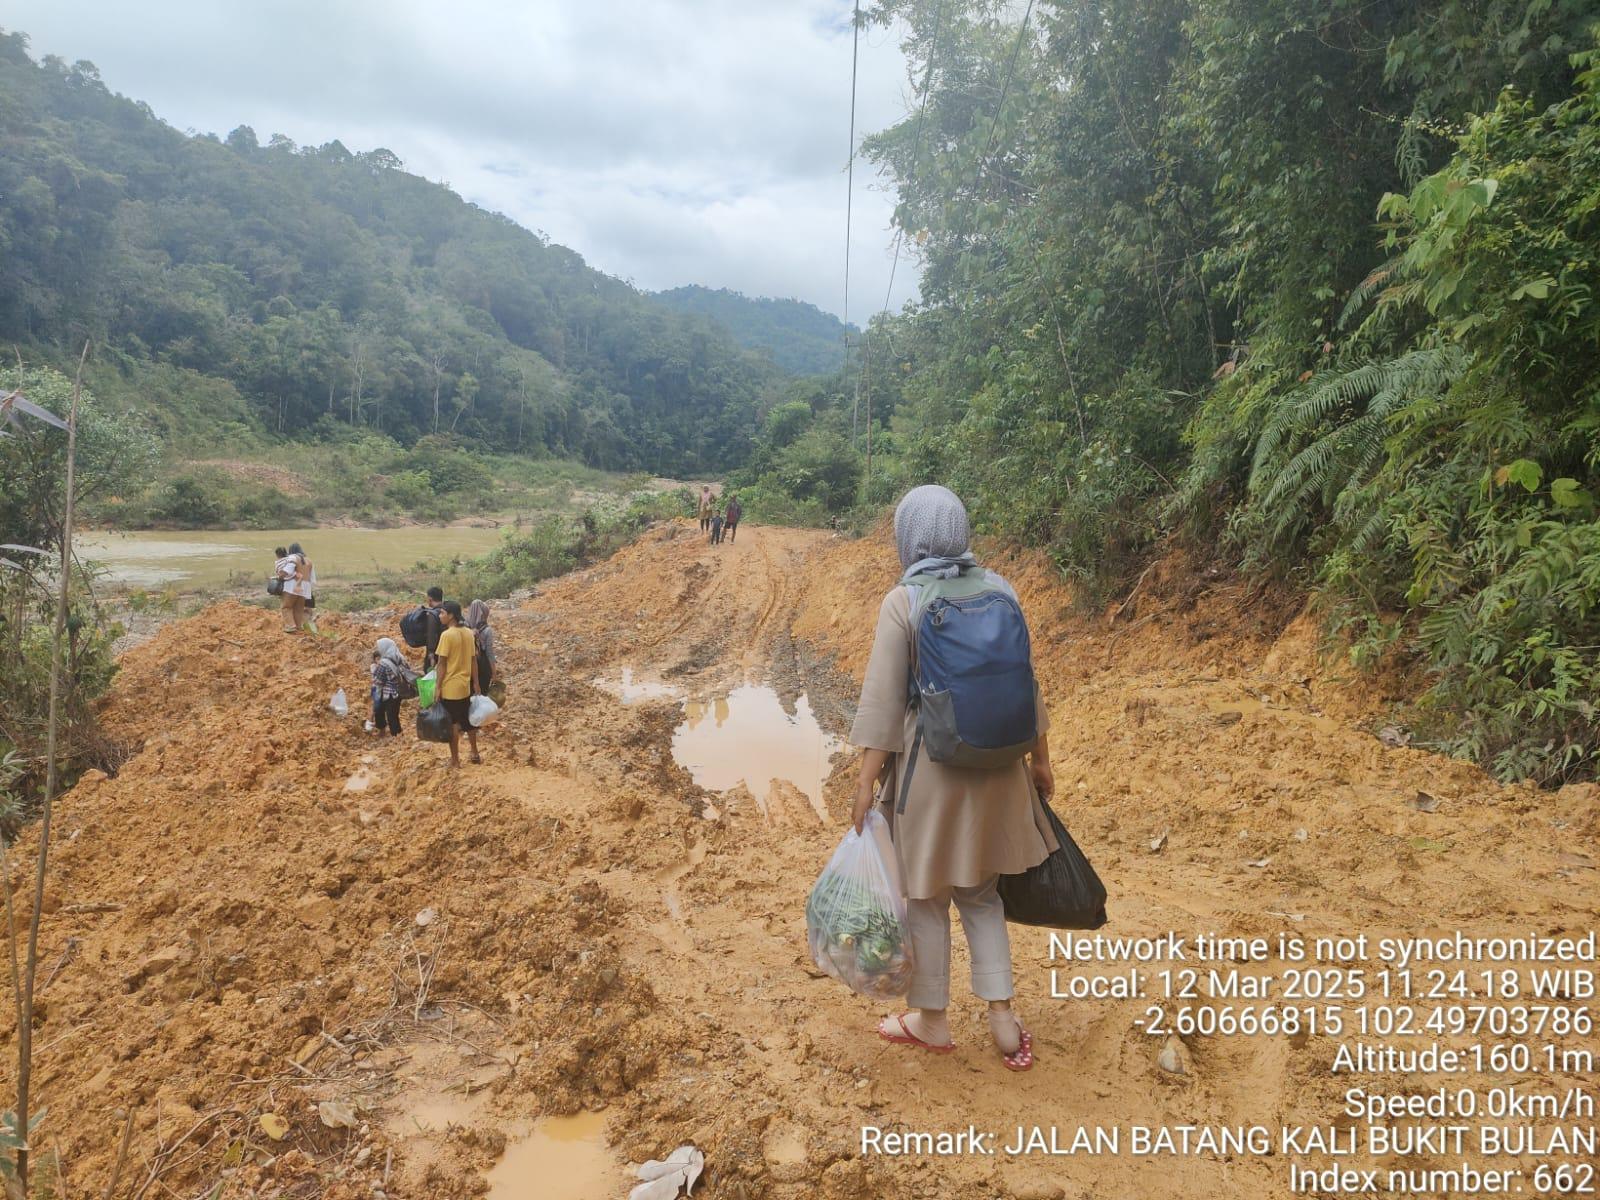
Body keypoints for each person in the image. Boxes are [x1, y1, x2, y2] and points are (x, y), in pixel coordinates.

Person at [848, 484, 1056, 1072]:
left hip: (931, 775)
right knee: (983, 896)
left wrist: (866, 782)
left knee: (926, 897)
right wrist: (1041, 762)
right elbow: (1026, 684)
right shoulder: (1002, 589)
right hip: (1001, 771)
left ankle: (931, 1022)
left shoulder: (905, 600)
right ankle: (1004, 1023)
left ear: (907, 534)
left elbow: (884, 704)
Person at [434, 600, 481, 768]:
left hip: (450, 687)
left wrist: (438, 687)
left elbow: (442, 664)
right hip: (465, 686)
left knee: (453, 723)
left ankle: (455, 760)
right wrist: (476, 683)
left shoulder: (446, 635)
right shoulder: (469, 633)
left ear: (451, 615)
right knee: (468, 721)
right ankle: (474, 752)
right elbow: (473, 660)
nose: (440, 616)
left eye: (442, 613)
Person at [370, 637, 407, 736]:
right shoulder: (400, 657)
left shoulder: (384, 663)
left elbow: (378, 681)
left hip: (387, 693)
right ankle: (398, 734)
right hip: (398, 692)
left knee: (381, 711)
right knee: (394, 715)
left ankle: (390, 734)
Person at [275, 543, 314, 634]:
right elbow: (312, 578)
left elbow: (288, 571)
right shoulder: (309, 560)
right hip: (305, 587)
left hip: (293, 585)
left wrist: (280, 576)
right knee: (298, 609)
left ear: (291, 551)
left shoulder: (293, 557)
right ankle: (298, 627)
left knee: (286, 607)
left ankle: (290, 626)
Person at [466, 599, 496, 694]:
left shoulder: (464, 627)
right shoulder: (487, 630)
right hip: (482, 667)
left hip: (467, 666)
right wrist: (494, 673)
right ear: (484, 614)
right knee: (482, 695)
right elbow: (489, 653)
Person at [421, 586, 445, 671]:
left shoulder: (433, 614)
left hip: (436, 653)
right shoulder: (449, 610)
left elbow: (431, 635)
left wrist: (431, 655)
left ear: (430, 599)